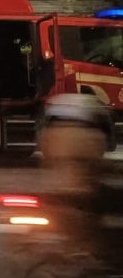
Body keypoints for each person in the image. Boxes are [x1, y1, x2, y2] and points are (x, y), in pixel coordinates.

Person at [38, 93, 113, 250]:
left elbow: (46, 158)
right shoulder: (92, 136)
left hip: (56, 193)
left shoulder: (49, 134)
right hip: (80, 197)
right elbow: (99, 162)